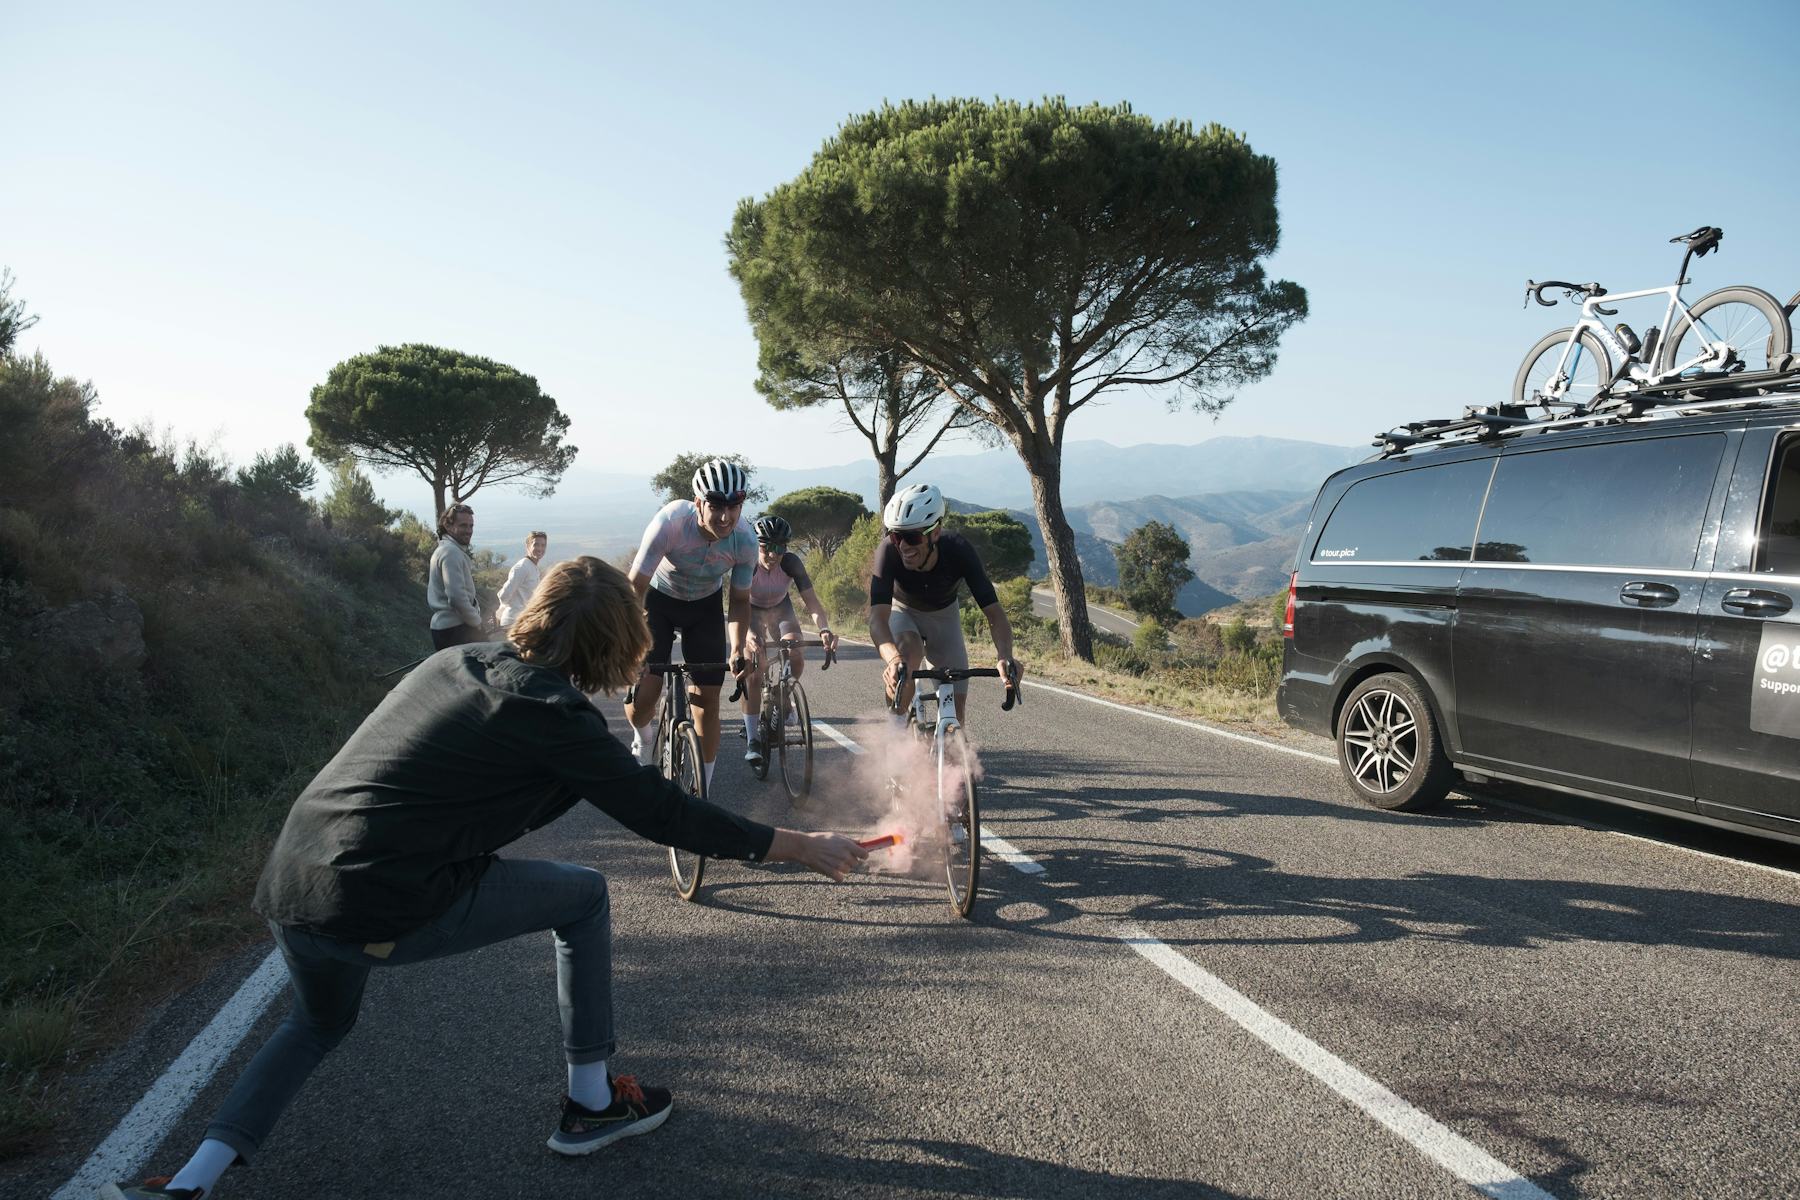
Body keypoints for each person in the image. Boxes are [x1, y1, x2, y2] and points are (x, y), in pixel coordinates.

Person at [103, 556, 868, 1200]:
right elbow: (666, 813)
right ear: (618, 642)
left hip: (290, 882)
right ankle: (591, 1103)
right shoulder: (558, 718)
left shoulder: (453, 662)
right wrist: (797, 846)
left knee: (316, 1024)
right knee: (584, 896)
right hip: (380, 899)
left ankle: (189, 1184)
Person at [622, 460, 758, 791]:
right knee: (645, 696)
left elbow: (740, 601)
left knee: (707, 703)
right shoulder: (670, 523)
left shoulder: (745, 540)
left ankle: (702, 793)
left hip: (705, 608)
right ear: (698, 503)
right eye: (716, 506)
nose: (725, 517)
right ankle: (643, 737)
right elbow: (634, 588)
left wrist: (738, 647)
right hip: (659, 602)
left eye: (733, 506)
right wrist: (630, 642)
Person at [868, 482, 1021, 726]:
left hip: (944, 615)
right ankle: (895, 734)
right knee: (907, 659)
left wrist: (1005, 656)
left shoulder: (959, 550)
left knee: (955, 715)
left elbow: (995, 614)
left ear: (936, 533)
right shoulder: (888, 551)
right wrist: (893, 659)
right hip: (903, 610)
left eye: (912, 536)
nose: (903, 546)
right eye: (896, 536)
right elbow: (877, 619)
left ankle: (950, 745)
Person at [739, 515, 840, 769]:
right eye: (766, 547)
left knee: (796, 650)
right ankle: (752, 739)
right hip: (750, 612)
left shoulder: (791, 562)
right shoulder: (748, 562)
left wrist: (824, 629)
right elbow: (738, 604)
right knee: (754, 667)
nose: (773, 554)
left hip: (781, 610)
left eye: (779, 548)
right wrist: (747, 634)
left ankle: (783, 696)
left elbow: (812, 602)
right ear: (757, 545)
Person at [427, 503, 483, 649]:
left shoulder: (446, 550)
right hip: (457, 629)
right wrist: (476, 622)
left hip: (448, 628)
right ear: (448, 526)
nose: (469, 530)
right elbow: (456, 597)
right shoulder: (451, 553)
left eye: (471, 526)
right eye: (463, 525)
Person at [496, 530, 548, 629]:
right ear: (527, 546)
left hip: (525, 622)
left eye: (543, 545)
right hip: (513, 622)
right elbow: (504, 595)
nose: (540, 548)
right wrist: (505, 609)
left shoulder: (533, 568)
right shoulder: (522, 567)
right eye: (536, 544)